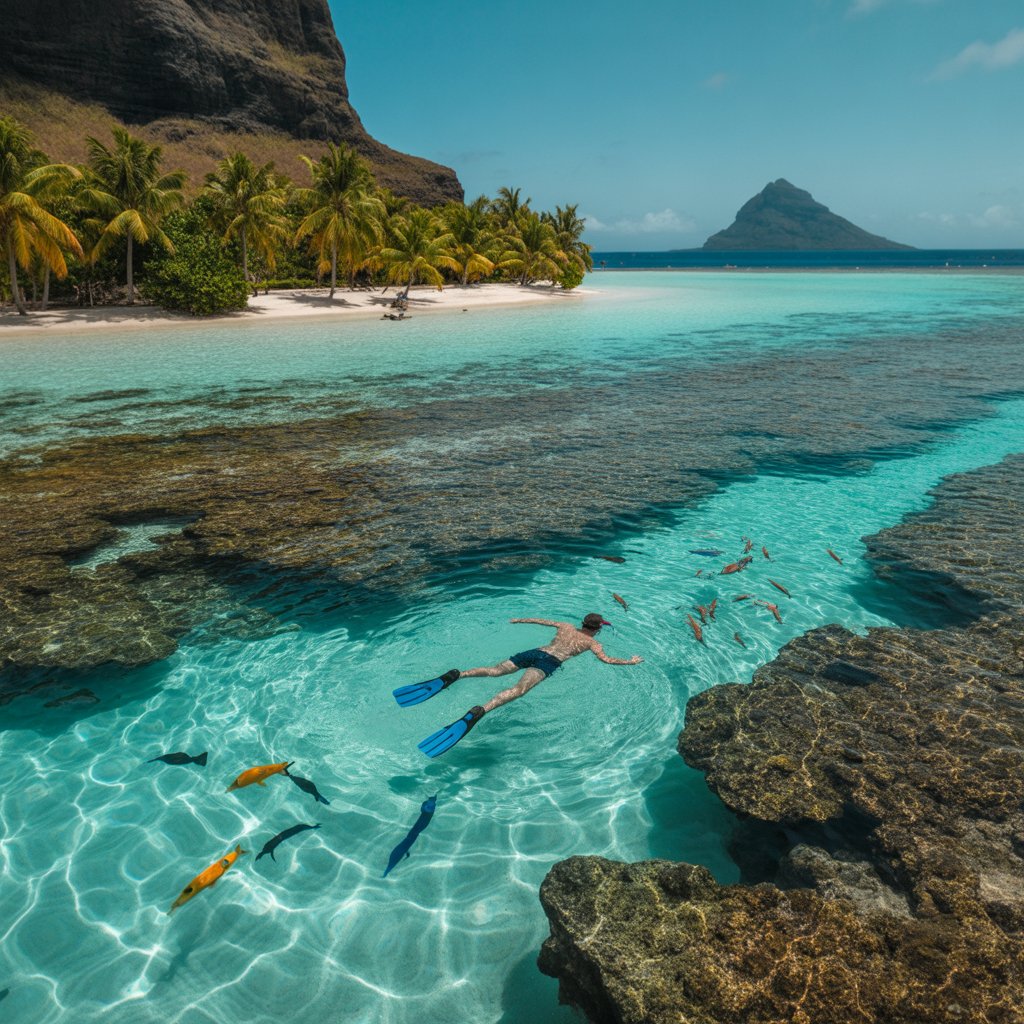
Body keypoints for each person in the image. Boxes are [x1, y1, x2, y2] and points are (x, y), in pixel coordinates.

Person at [393, 613, 643, 757]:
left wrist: (519, 619)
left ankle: (460, 674)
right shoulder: (591, 643)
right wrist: (630, 662)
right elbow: (607, 660)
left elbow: (541, 621)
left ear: (583, 622)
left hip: (535, 651)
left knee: (494, 671)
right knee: (519, 690)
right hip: (550, 662)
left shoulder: (566, 626)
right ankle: (481, 710)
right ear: (597, 629)